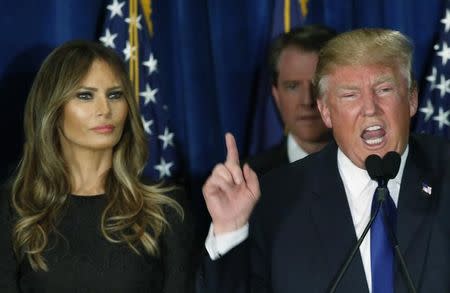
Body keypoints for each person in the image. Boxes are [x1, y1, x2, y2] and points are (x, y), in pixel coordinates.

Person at [198, 28, 450, 292]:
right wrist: (230, 231)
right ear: (326, 112)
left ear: (412, 99)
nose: (370, 109)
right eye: (350, 95)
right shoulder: (275, 200)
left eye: (384, 89)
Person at [0, 40, 195, 292]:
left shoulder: (164, 209)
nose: (105, 109)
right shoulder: (13, 210)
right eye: (85, 96)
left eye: (115, 95)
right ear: (53, 109)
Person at [247, 25, 336, 177]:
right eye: (293, 86)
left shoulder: (372, 170)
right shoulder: (249, 179)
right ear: (276, 94)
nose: (307, 101)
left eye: (318, 85)